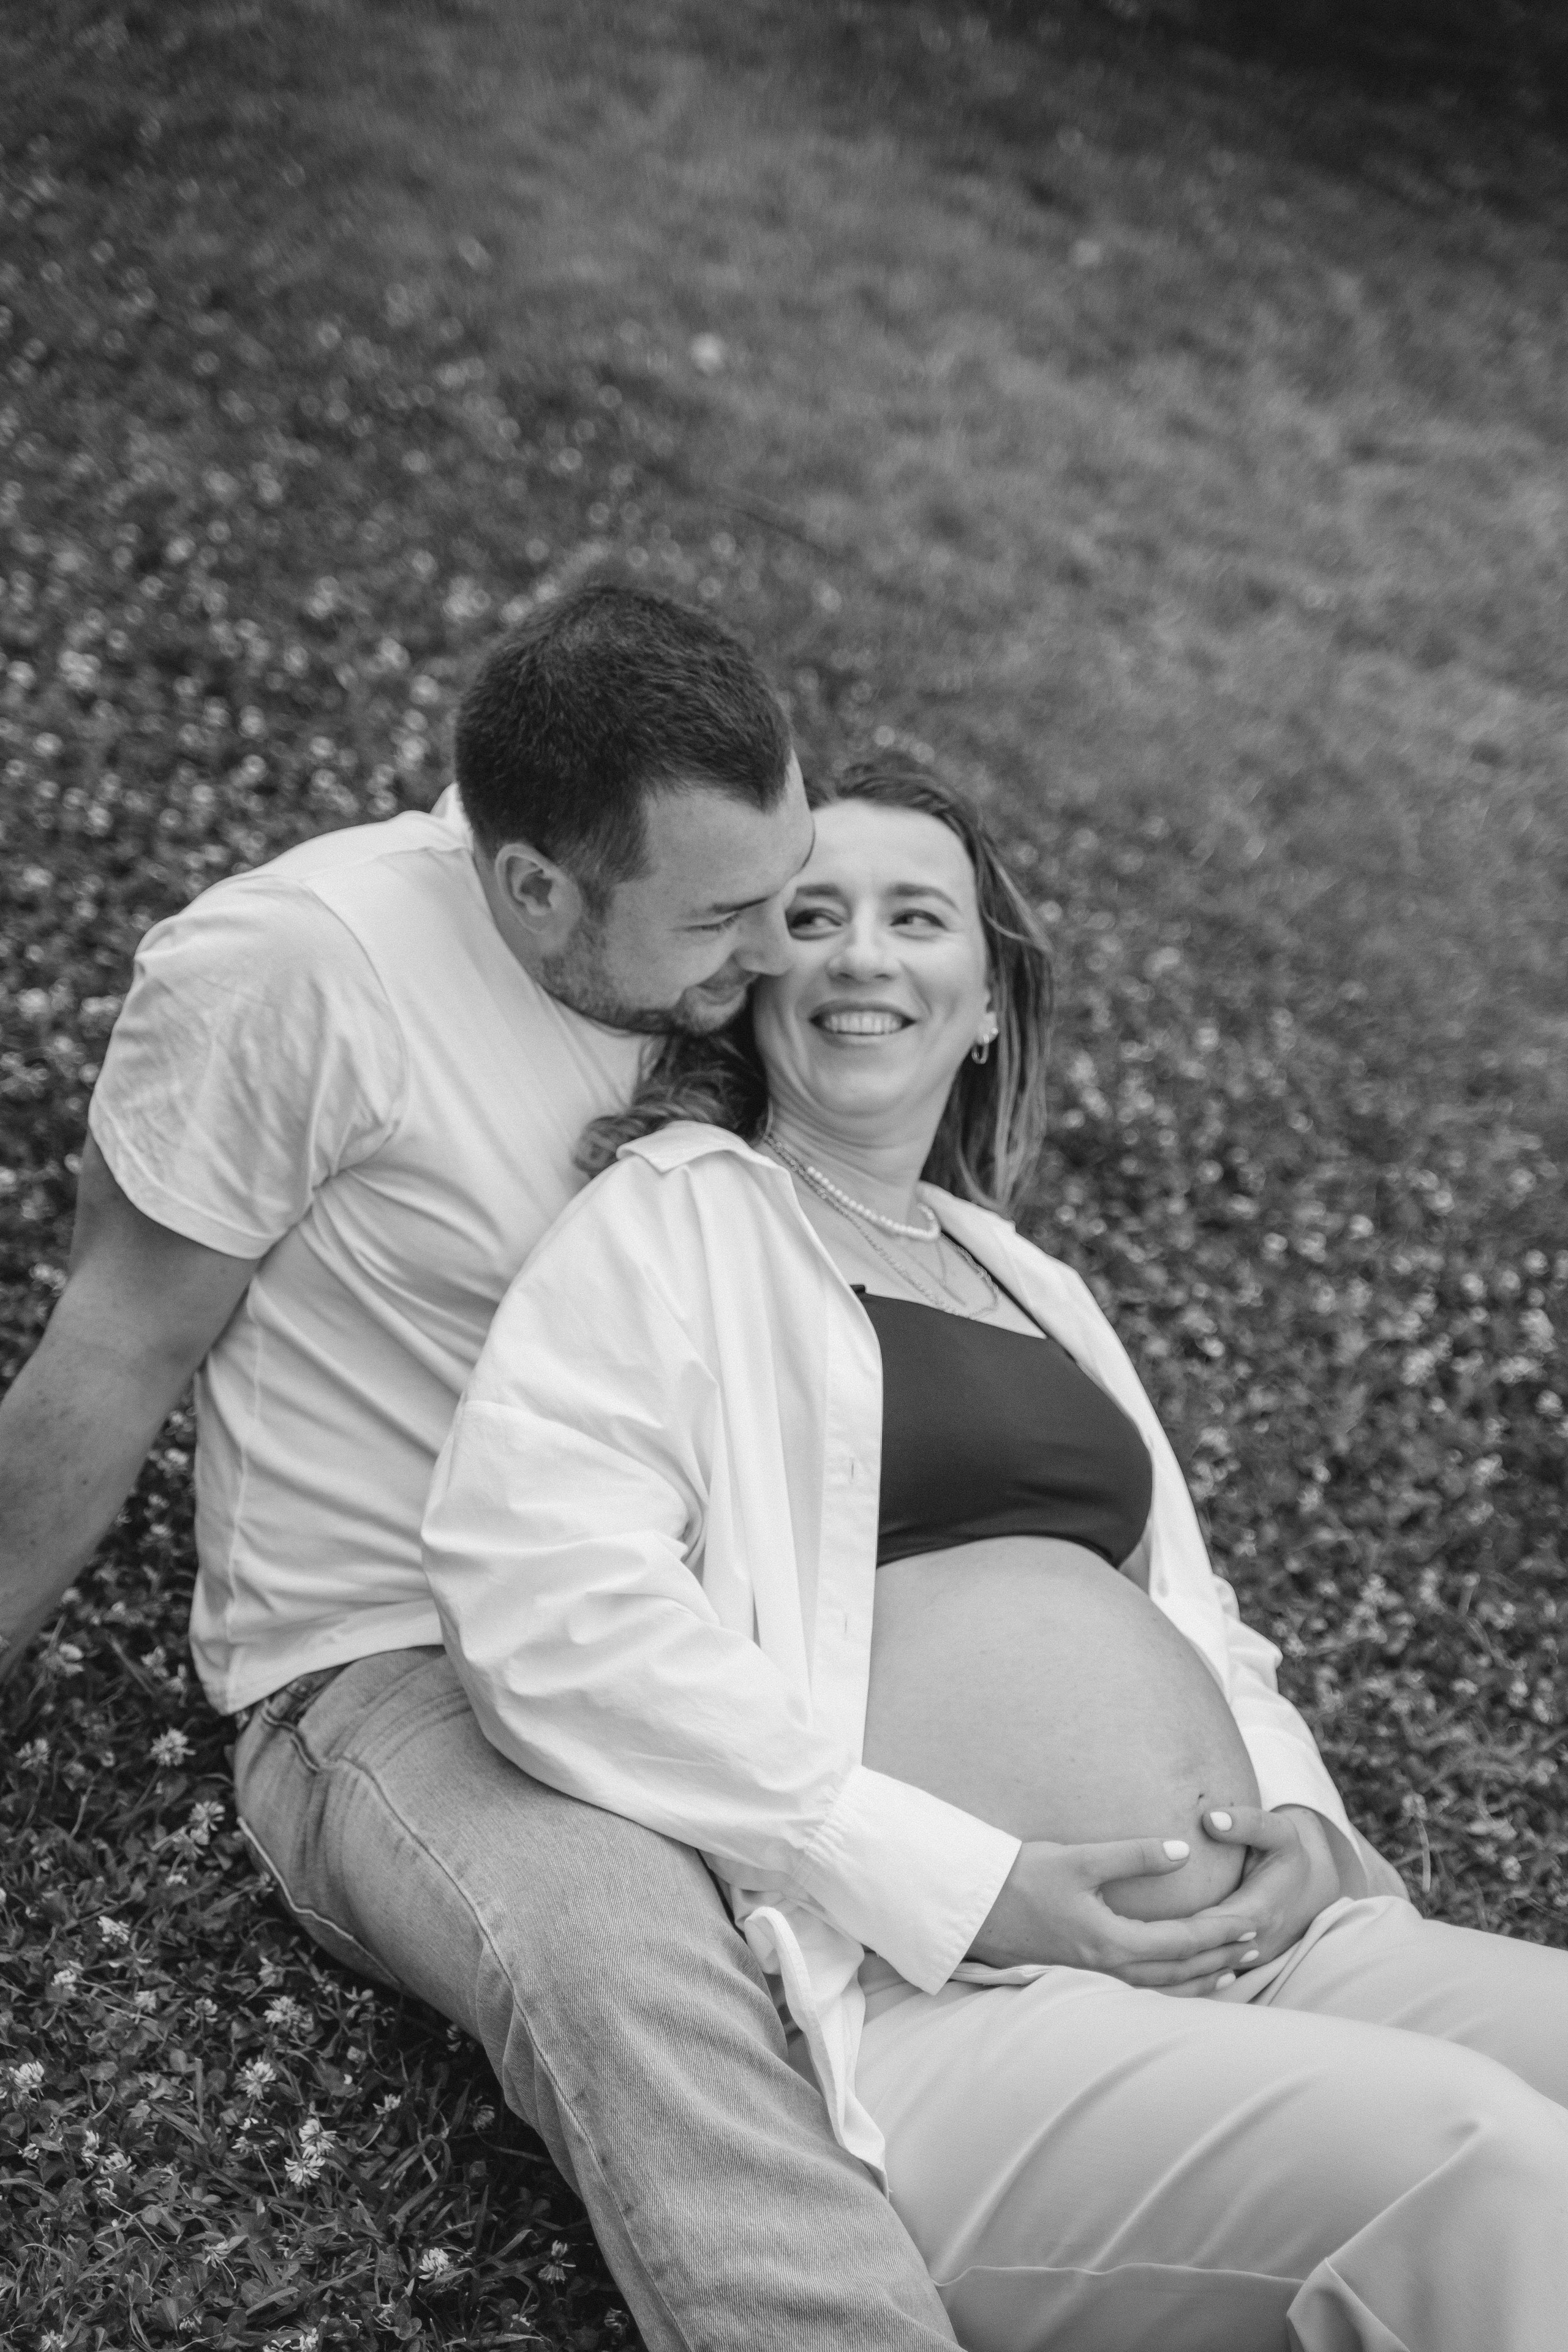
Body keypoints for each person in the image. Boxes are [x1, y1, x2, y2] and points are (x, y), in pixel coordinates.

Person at [423, 760, 1568, 2352]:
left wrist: (1302, 1824)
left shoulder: (1034, 1284)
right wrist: (966, 1890)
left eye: (916, 918)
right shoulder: (673, 1225)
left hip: (1281, 1946)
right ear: (749, 982)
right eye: (812, 916)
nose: (863, 953)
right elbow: (550, 1607)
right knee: (1484, 2167)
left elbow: (1200, 1621)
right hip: (953, 2001)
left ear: (982, 1003)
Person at [0, 587, 998, 2352]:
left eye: (782, 890)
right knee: (631, 1961)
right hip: (404, 1667)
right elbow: (120, 1346)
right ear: (534, 887)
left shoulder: (720, 948)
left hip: (722, 1637)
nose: (775, 955)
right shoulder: (304, 967)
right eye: (722, 920)